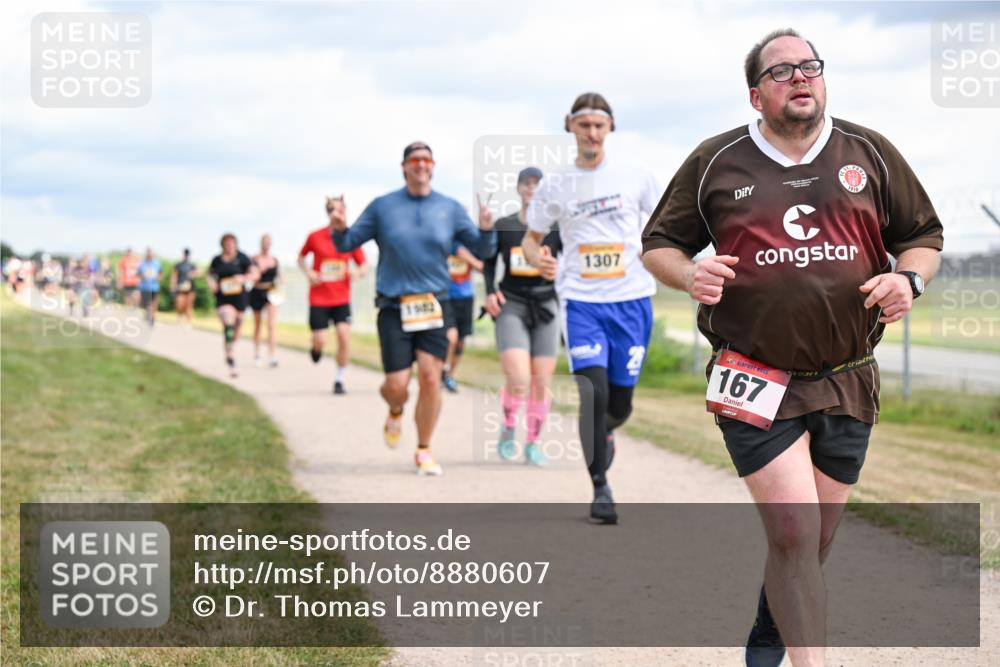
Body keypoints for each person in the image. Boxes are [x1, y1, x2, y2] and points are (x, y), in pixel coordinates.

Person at [641, 29, 943, 667]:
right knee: (794, 530)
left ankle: (768, 637)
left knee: (813, 540)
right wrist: (687, 273)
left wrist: (907, 278)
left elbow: (922, 235)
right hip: (752, 371)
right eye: (782, 72)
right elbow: (659, 245)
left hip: (847, 373)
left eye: (811, 66)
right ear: (756, 95)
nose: (800, 77)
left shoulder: (869, 152)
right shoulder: (715, 162)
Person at [523, 93, 661, 523]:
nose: (592, 133)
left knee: (619, 405)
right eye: (584, 125)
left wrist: (657, 251)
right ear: (571, 126)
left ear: (611, 128)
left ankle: (603, 435)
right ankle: (600, 487)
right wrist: (537, 258)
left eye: (599, 125)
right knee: (594, 394)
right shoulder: (554, 185)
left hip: (632, 301)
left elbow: (663, 228)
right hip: (581, 302)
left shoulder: (637, 175)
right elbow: (531, 239)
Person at [330, 141, 495, 475]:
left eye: (427, 160)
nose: (421, 165)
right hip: (393, 306)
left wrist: (488, 228)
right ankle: (395, 410)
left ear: (433, 167)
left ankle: (423, 448)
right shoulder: (382, 207)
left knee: (432, 377)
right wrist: (339, 226)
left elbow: (482, 248)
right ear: (404, 166)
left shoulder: (449, 208)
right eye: (414, 160)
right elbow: (347, 244)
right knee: (397, 386)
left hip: (435, 304)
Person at [483, 167, 561, 466]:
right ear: (519, 189)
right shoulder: (504, 225)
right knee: (518, 379)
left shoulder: (555, 227)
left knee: (541, 383)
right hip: (511, 304)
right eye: (527, 184)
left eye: (538, 184)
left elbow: (570, 262)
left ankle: (533, 444)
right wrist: (490, 291)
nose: (532, 189)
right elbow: (489, 262)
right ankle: (508, 426)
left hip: (545, 306)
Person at [299, 196, 368, 394]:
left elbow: (362, 265)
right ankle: (316, 349)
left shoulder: (350, 237)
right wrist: (309, 272)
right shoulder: (315, 236)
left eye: (341, 210)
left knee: (344, 337)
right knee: (320, 339)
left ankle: (339, 380)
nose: (338, 214)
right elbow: (301, 258)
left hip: (341, 297)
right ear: (328, 213)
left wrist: (358, 272)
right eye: (334, 210)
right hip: (319, 296)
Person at [207, 233, 258, 378]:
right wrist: (212, 283)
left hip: (240, 299)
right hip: (223, 298)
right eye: (226, 244)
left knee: (236, 329)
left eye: (231, 243)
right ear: (222, 245)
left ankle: (230, 347)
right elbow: (210, 275)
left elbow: (255, 274)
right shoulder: (217, 260)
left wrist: (244, 278)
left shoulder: (242, 258)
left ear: (235, 244)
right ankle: (231, 356)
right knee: (228, 322)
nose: (229, 246)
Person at [441, 243, 483, 393]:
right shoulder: (443, 238)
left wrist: (467, 257)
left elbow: (483, 268)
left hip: (465, 298)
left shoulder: (471, 242)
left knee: (460, 342)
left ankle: (449, 376)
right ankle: (442, 370)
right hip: (444, 297)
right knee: (450, 337)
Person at [250, 234, 281, 367]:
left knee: (271, 325)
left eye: (269, 242)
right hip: (257, 291)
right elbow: (250, 275)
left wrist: (279, 284)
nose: (267, 244)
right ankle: (257, 354)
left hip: (271, 293)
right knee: (258, 325)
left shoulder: (274, 260)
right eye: (265, 242)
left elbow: (280, 277)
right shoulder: (254, 259)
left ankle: (272, 355)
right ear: (261, 243)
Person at [171, 248, 199, 328]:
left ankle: (189, 323)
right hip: (180, 287)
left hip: (190, 288)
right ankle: (180, 317)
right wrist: (173, 285)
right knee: (179, 304)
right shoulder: (178, 265)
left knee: (189, 305)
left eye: (187, 254)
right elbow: (174, 275)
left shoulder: (192, 265)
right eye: (185, 254)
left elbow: (199, 272)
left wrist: (194, 273)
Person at [138, 248, 162, 325]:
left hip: (154, 287)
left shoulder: (157, 264)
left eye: (151, 255)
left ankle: (153, 317)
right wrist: (144, 276)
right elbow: (138, 274)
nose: (149, 256)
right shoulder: (142, 264)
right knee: (146, 304)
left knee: (153, 303)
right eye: (148, 255)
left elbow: (160, 274)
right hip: (144, 287)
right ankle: (147, 314)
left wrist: (157, 277)